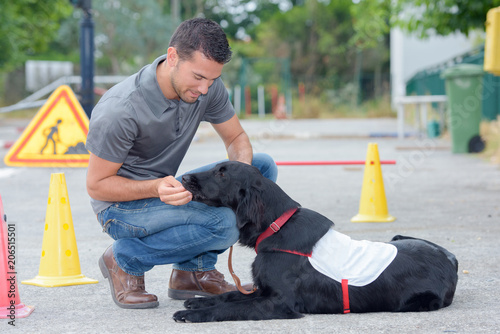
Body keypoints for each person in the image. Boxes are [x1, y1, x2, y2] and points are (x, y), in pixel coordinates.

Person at [85, 18, 277, 309]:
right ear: (173, 57)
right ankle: (124, 259)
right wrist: (155, 187)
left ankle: (191, 274)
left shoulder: (207, 86)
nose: (205, 89)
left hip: (166, 188)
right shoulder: (120, 110)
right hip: (120, 208)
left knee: (261, 168)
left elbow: (237, 137)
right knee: (224, 224)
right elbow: (97, 186)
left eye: (212, 80)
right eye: (199, 77)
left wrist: (240, 179)